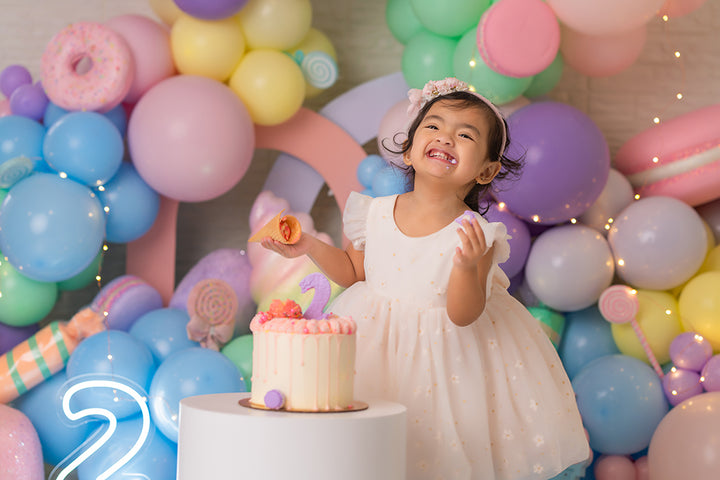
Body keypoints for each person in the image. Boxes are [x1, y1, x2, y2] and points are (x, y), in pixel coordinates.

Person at [259, 77, 590, 480]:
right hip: (372, 349)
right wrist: (308, 245)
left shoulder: (476, 236)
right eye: (433, 126)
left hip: (443, 365)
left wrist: (467, 267)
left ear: (486, 170)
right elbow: (353, 271)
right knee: (364, 452)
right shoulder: (375, 213)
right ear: (410, 148)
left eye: (465, 135)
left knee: (430, 456)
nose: (446, 138)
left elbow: (463, 314)